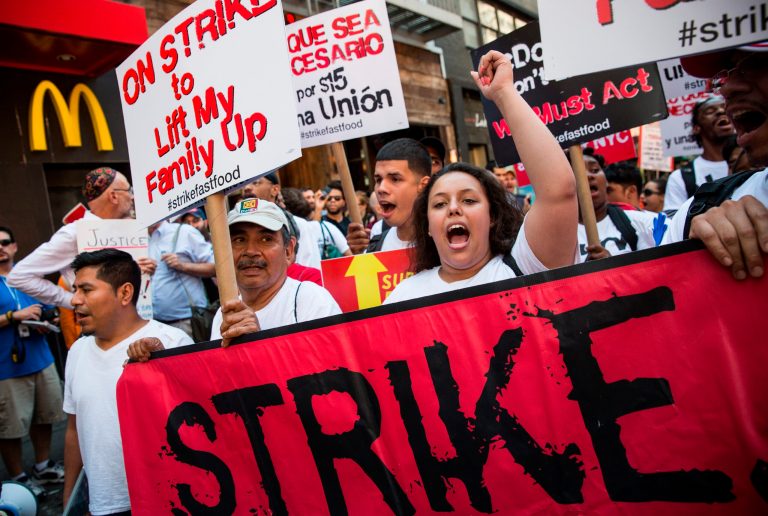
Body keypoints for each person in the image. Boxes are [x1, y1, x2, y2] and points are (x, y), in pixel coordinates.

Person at [384, 50, 578, 303]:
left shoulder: (524, 268)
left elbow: (559, 190)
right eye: (440, 204)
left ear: (493, 217)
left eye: (469, 200)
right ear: (428, 227)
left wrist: (503, 93)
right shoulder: (403, 298)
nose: (453, 208)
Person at [62, 249, 192, 514]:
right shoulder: (77, 351)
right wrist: (69, 501)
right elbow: (75, 430)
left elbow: (196, 428)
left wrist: (162, 365)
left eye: (86, 290)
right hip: (102, 504)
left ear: (124, 293)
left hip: (166, 501)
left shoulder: (172, 342)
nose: (74, 300)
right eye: (76, 290)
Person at [661, 43, 768, 281]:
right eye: (726, 72)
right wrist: (693, 259)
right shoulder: (692, 214)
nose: (727, 89)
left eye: (756, 62)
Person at [8, 167, 135, 308]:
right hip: (103, 326)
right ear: (113, 196)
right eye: (130, 190)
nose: (133, 196)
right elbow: (19, 276)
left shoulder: (127, 230)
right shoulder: (74, 233)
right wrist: (73, 300)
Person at [0, 226, 65, 499]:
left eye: (4, 242)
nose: (0, 248)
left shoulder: (28, 275)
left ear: (15, 246)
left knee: (45, 414)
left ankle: (42, 465)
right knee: (10, 426)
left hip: (41, 356)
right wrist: (14, 316)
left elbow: (48, 307)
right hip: (7, 365)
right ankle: (18, 477)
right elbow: (16, 315)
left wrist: (48, 319)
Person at [346, 138, 432, 254]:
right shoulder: (376, 246)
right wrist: (360, 258)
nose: (381, 188)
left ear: (423, 185)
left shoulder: (445, 245)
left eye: (395, 179)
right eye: (378, 180)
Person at [578, 154, 659, 261]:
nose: (588, 176)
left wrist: (616, 267)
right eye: (577, 172)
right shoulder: (554, 238)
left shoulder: (645, 223)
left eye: (594, 170)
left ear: (606, 181)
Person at [663, 94, 736, 211]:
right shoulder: (681, 178)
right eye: (710, 111)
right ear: (696, 128)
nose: (721, 111)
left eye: (725, 107)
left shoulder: (756, 163)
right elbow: (674, 222)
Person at [145, 220, 216, 338]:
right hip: (154, 325)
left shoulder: (184, 232)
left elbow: (218, 267)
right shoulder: (139, 239)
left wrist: (182, 266)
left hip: (187, 322)